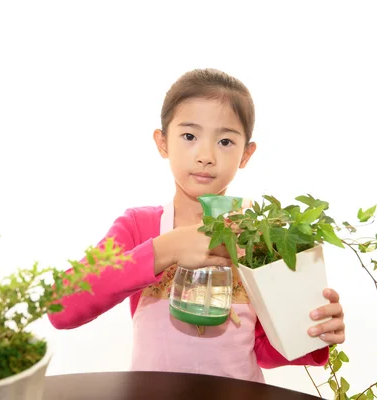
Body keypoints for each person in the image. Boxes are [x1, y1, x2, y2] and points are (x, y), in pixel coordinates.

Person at [48, 68, 346, 383]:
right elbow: (61, 307)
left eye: (226, 141)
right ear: (162, 143)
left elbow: (261, 346)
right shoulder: (140, 225)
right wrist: (166, 248)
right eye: (189, 136)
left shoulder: (261, 237)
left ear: (246, 153)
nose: (206, 155)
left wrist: (313, 331)